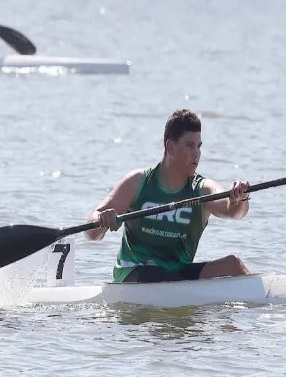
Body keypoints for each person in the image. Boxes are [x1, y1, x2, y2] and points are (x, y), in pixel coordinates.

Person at [85, 109, 252, 283]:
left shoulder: (202, 189)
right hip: (135, 271)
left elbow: (233, 211)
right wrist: (102, 220)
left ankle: (263, 297)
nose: (196, 153)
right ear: (170, 147)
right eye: (190, 145)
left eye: (199, 146)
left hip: (177, 274)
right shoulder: (138, 182)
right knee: (158, 275)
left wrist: (239, 198)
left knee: (233, 265)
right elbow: (91, 232)